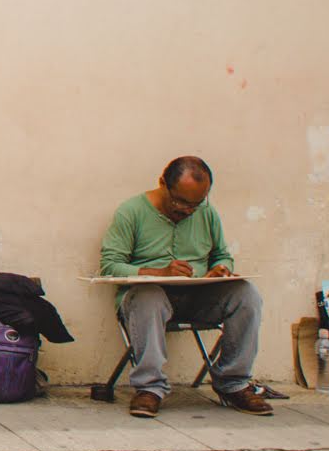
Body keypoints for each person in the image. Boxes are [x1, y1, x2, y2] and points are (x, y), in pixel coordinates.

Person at [97, 155, 270, 418]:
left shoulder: (206, 213)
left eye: (195, 204)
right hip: (147, 299)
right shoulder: (131, 211)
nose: (187, 210)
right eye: (180, 202)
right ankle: (150, 389)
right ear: (162, 184)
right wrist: (157, 272)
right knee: (148, 297)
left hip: (197, 297)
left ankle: (233, 383)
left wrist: (220, 269)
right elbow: (110, 266)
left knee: (246, 294)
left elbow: (222, 254)